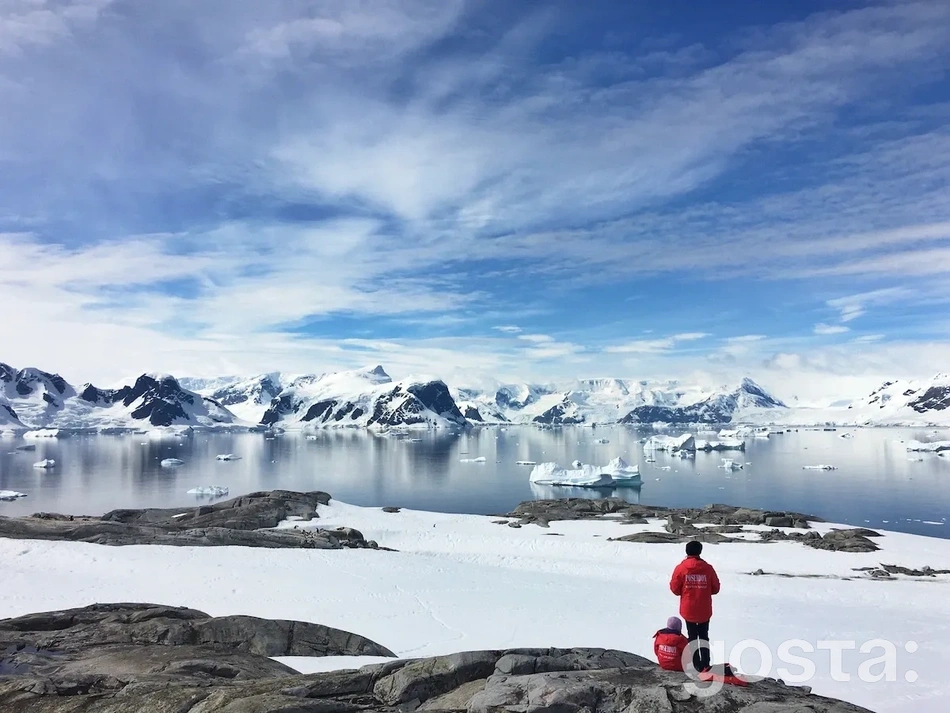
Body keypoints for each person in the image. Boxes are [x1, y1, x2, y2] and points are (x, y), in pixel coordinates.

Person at [669, 540, 720, 672]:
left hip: (688, 608)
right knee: (704, 635)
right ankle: (706, 664)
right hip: (704, 609)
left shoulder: (681, 568)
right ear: (700, 551)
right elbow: (716, 588)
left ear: (687, 552)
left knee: (692, 636)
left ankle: (696, 664)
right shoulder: (708, 568)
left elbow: (675, 589)